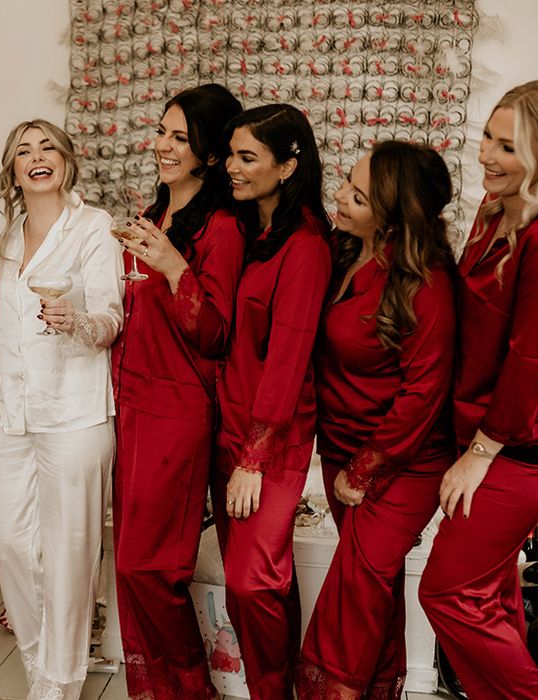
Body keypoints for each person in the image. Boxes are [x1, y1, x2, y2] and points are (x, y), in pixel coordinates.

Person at [418, 79, 538, 699]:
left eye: (508, 146)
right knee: (490, 594)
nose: (486, 157)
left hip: (520, 446)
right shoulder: (496, 210)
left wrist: (479, 454)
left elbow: (531, 361)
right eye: (488, 139)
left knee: (446, 592)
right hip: (482, 430)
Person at [295, 141, 457, 699]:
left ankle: (328, 692)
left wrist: (362, 471)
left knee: (357, 585)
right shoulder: (343, 251)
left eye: (357, 196)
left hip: (403, 461)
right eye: (346, 182)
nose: (339, 196)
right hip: (342, 447)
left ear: (392, 217)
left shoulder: (425, 284)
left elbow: (423, 394)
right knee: (375, 592)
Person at [111, 83, 244, 699]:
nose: (164, 146)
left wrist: (172, 267)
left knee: (151, 567)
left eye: (180, 138)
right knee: (130, 566)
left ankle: (191, 691)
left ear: (211, 155)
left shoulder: (221, 229)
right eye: (162, 132)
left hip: (180, 410)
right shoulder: (152, 214)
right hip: (132, 405)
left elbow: (216, 334)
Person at [0, 119, 124, 700]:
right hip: (11, 416)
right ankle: (45, 668)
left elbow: (111, 318)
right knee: (11, 544)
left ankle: (56, 688)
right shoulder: (3, 236)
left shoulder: (94, 228)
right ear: (13, 171)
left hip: (75, 415)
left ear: (66, 162)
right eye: (23, 150)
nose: (36, 157)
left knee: (70, 562)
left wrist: (81, 322)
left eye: (48, 148)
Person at [212, 104, 332, 699]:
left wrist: (253, 459)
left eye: (247, 157)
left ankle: (272, 691)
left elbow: (286, 360)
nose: (231, 166)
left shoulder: (305, 245)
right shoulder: (250, 231)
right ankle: (283, 685)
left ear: (289, 165)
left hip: (270, 440)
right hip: (227, 428)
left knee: (251, 579)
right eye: (231, 153)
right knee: (268, 579)